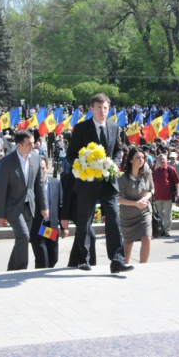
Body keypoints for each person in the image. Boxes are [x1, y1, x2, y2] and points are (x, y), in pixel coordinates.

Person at [65, 93, 132, 274]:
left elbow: (118, 151)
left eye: (106, 108)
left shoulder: (114, 127)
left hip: (108, 182)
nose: (103, 111)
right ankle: (83, 259)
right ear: (91, 109)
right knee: (84, 222)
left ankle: (117, 260)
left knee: (113, 218)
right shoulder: (81, 129)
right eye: (99, 108)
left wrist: (116, 163)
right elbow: (70, 155)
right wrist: (83, 165)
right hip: (88, 182)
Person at [0, 130, 48, 271]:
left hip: (29, 206)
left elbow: (40, 185)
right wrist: (0, 215)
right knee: (24, 236)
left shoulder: (36, 158)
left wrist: (44, 207)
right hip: (13, 207)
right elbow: (1, 191)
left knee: (22, 239)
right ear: (19, 145)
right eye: (29, 143)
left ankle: (11, 269)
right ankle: (21, 269)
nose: (33, 146)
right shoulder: (6, 163)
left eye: (33, 142)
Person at [119, 147, 154, 264]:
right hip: (128, 215)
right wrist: (135, 203)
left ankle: (142, 268)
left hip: (144, 212)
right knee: (128, 246)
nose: (141, 160)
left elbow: (152, 189)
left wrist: (145, 198)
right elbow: (117, 198)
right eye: (138, 157)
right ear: (130, 160)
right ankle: (125, 265)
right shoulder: (123, 177)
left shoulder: (147, 173)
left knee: (147, 239)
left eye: (143, 157)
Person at [30, 157, 63, 269]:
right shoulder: (31, 186)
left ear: (47, 168)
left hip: (51, 227)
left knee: (53, 257)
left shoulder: (56, 183)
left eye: (42, 168)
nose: (40, 171)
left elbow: (60, 205)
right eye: (38, 168)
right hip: (37, 227)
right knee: (42, 259)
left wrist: (64, 228)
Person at [152, 154, 179, 237]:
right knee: (160, 214)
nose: (162, 161)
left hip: (168, 196)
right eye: (160, 159)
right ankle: (162, 229)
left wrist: (178, 192)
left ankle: (167, 230)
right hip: (158, 197)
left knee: (167, 214)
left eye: (163, 159)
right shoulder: (156, 171)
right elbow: (153, 183)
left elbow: (177, 181)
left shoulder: (170, 169)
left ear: (166, 160)